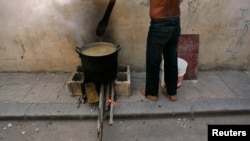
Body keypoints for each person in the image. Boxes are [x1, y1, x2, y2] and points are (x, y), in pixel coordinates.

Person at [141, 0, 181, 101]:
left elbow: (144, 2)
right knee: (171, 59)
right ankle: (172, 93)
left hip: (159, 24)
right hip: (175, 22)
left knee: (153, 60)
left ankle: (152, 93)